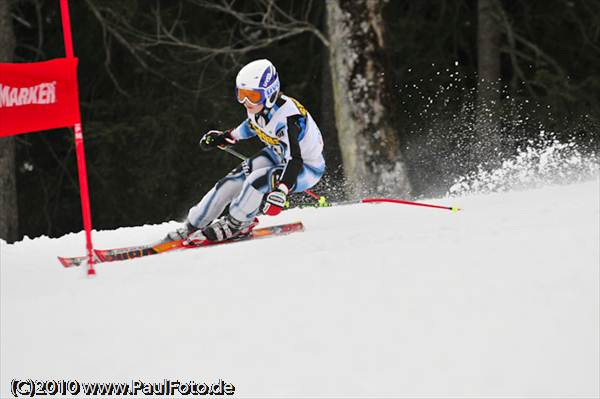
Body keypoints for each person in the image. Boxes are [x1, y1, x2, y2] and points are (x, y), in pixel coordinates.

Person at [167, 59, 325, 243]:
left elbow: (295, 159)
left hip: (305, 167)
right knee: (231, 181)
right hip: (277, 153)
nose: (246, 101)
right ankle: (194, 224)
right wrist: (226, 136)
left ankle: (238, 224)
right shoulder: (258, 107)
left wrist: (281, 191)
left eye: (252, 95)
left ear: (270, 93)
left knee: (256, 180)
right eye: (241, 94)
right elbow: (253, 125)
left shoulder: (290, 120)